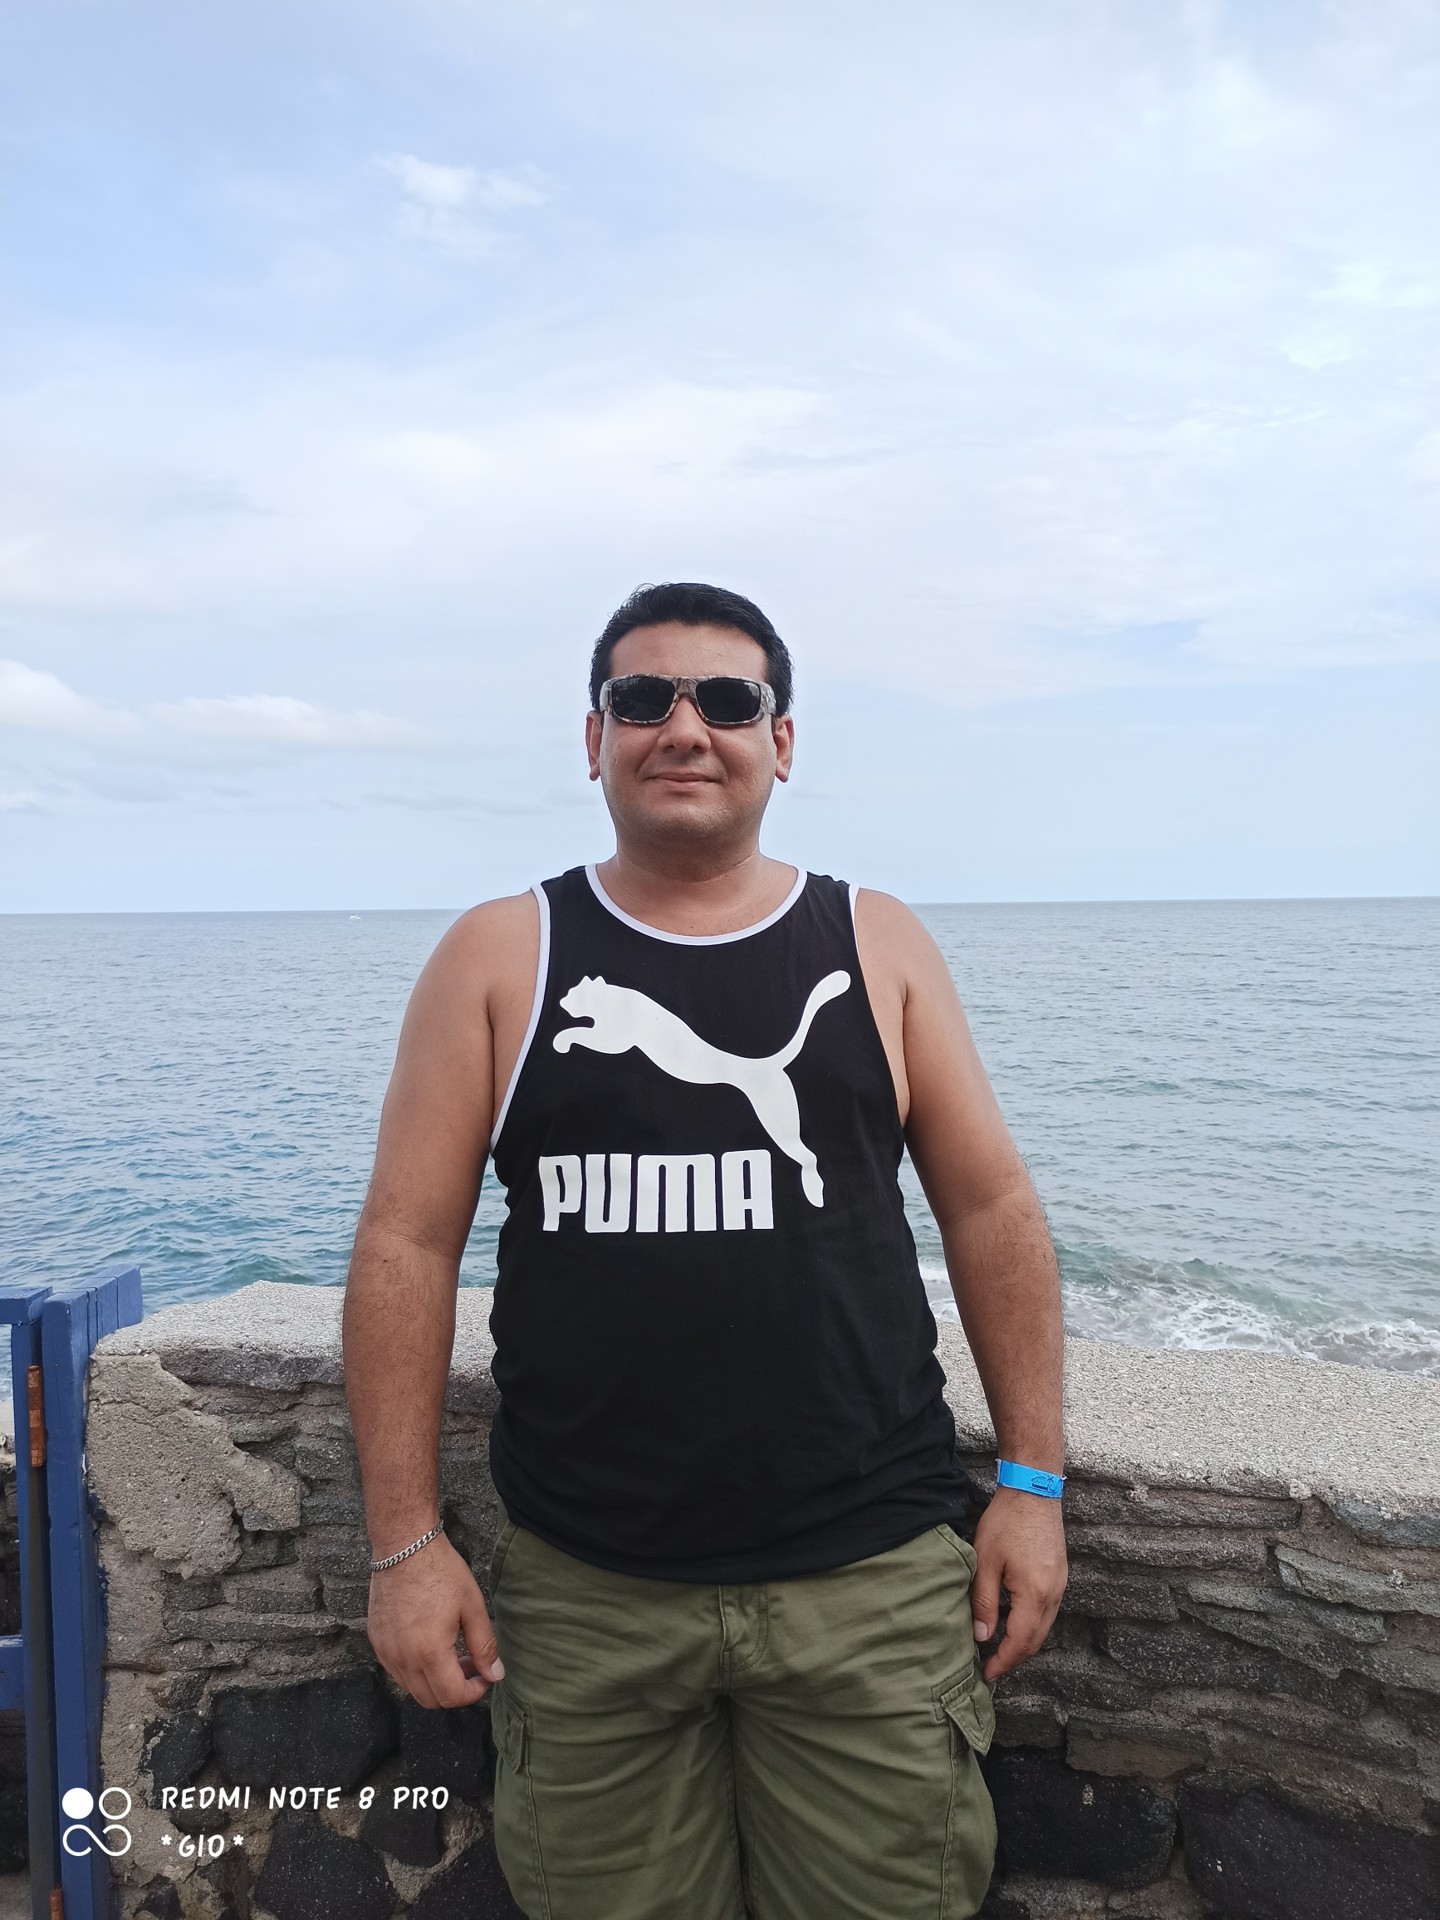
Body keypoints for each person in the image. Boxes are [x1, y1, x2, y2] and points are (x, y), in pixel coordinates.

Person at [343, 582, 1068, 1920]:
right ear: (595, 739)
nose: (685, 727)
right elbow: (405, 1247)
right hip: (586, 1592)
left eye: (727, 700)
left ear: (779, 742)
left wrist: (1031, 1483)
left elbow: (993, 1212)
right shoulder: (504, 955)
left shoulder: (877, 939)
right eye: (643, 699)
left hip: (871, 1579)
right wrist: (403, 1545)